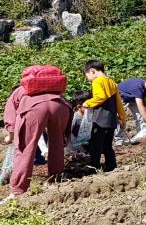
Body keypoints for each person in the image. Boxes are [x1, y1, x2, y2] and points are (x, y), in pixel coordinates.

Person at [5, 67, 72, 201]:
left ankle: (18, 191)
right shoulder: (53, 88)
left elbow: (10, 116)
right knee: (57, 145)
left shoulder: (19, 91)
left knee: (25, 149)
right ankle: (55, 180)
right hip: (60, 107)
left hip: (34, 110)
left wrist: (11, 135)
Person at [81, 61, 127, 173]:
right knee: (107, 145)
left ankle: (94, 168)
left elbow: (100, 97)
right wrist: (122, 117)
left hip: (100, 120)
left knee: (95, 146)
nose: (88, 79)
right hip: (111, 120)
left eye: (87, 75)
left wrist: (87, 103)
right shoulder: (111, 82)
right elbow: (118, 103)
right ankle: (111, 166)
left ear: (92, 71)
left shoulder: (97, 81)